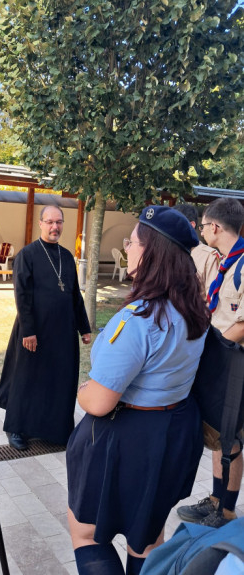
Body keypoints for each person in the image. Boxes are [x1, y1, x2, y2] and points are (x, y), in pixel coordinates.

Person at [66, 205, 211, 575]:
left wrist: (83, 390)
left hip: (129, 440)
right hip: (174, 431)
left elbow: (99, 402)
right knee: (146, 537)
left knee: (86, 534)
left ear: (151, 253)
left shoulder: (140, 318)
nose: (128, 247)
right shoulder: (194, 310)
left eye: (132, 242)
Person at [0, 204, 91, 450]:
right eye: (50, 222)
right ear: (41, 224)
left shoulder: (66, 257)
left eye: (58, 222)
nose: (54, 227)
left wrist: (84, 327)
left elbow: (74, 296)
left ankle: (54, 430)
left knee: (59, 379)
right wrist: (28, 331)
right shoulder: (27, 255)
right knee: (27, 379)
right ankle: (16, 428)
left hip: (62, 332)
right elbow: (22, 295)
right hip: (34, 332)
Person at [177, 197, 244, 529]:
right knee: (219, 433)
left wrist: (211, 351)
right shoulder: (226, 263)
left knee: (231, 436)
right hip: (221, 359)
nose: (201, 231)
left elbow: (243, 325)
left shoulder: (243, 266)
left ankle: (226, 510)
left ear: (215, 227)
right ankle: (217, 500)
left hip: (234, 362)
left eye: (203, 225)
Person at [173, 203, 221, 296]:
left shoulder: (209, 256)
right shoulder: (168, 251)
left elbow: (212, 297)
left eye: (175, 224)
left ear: (191, 225)